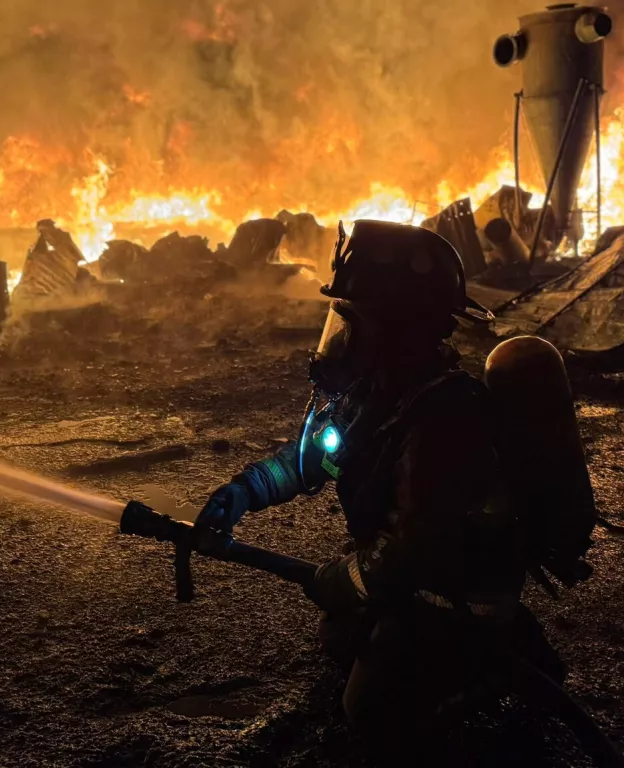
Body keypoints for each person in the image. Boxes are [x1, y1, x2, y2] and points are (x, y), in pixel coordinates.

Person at [195, 220, 598, 758]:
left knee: (367, 714)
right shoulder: (377, 397)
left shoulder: (445, 420)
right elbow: (308, 462)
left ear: (395, 328)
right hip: (419, 575)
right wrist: (243, 492)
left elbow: (411, 548)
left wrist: (345, 577)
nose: (336, 336)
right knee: (340, 638)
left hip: (458, 597)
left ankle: (496, 671)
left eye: (350, 321)